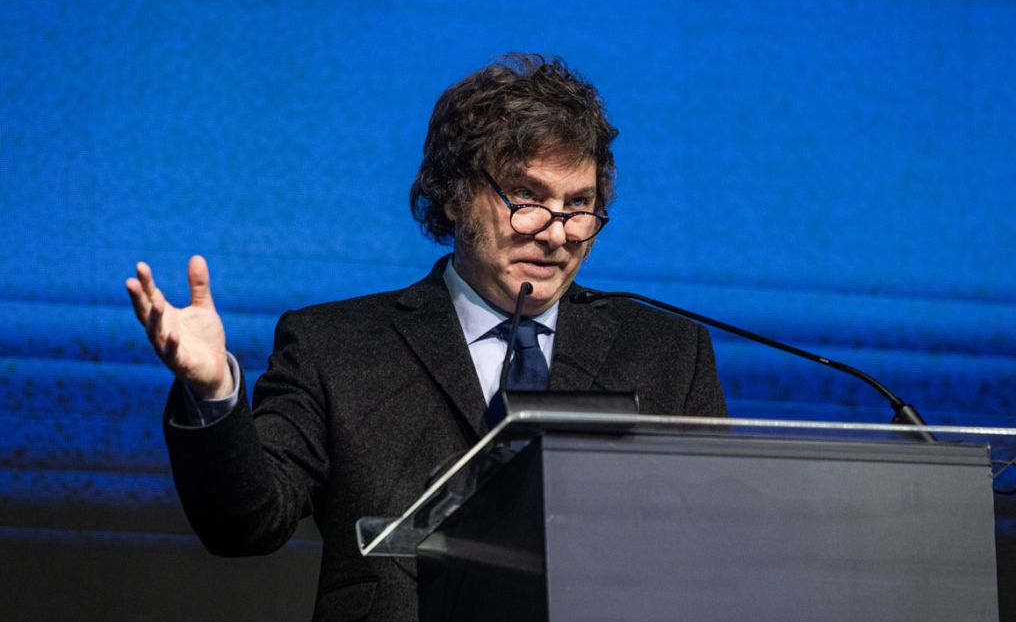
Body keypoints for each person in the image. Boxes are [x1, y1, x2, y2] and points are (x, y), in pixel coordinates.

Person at [125, 53, 727, 622]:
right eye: (527, 198)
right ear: (455, 193)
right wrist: (213, 393)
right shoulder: (333, 346)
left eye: (579, 205)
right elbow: (246, 524)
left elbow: (720, 551)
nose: (556, 233)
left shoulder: (668, 353)